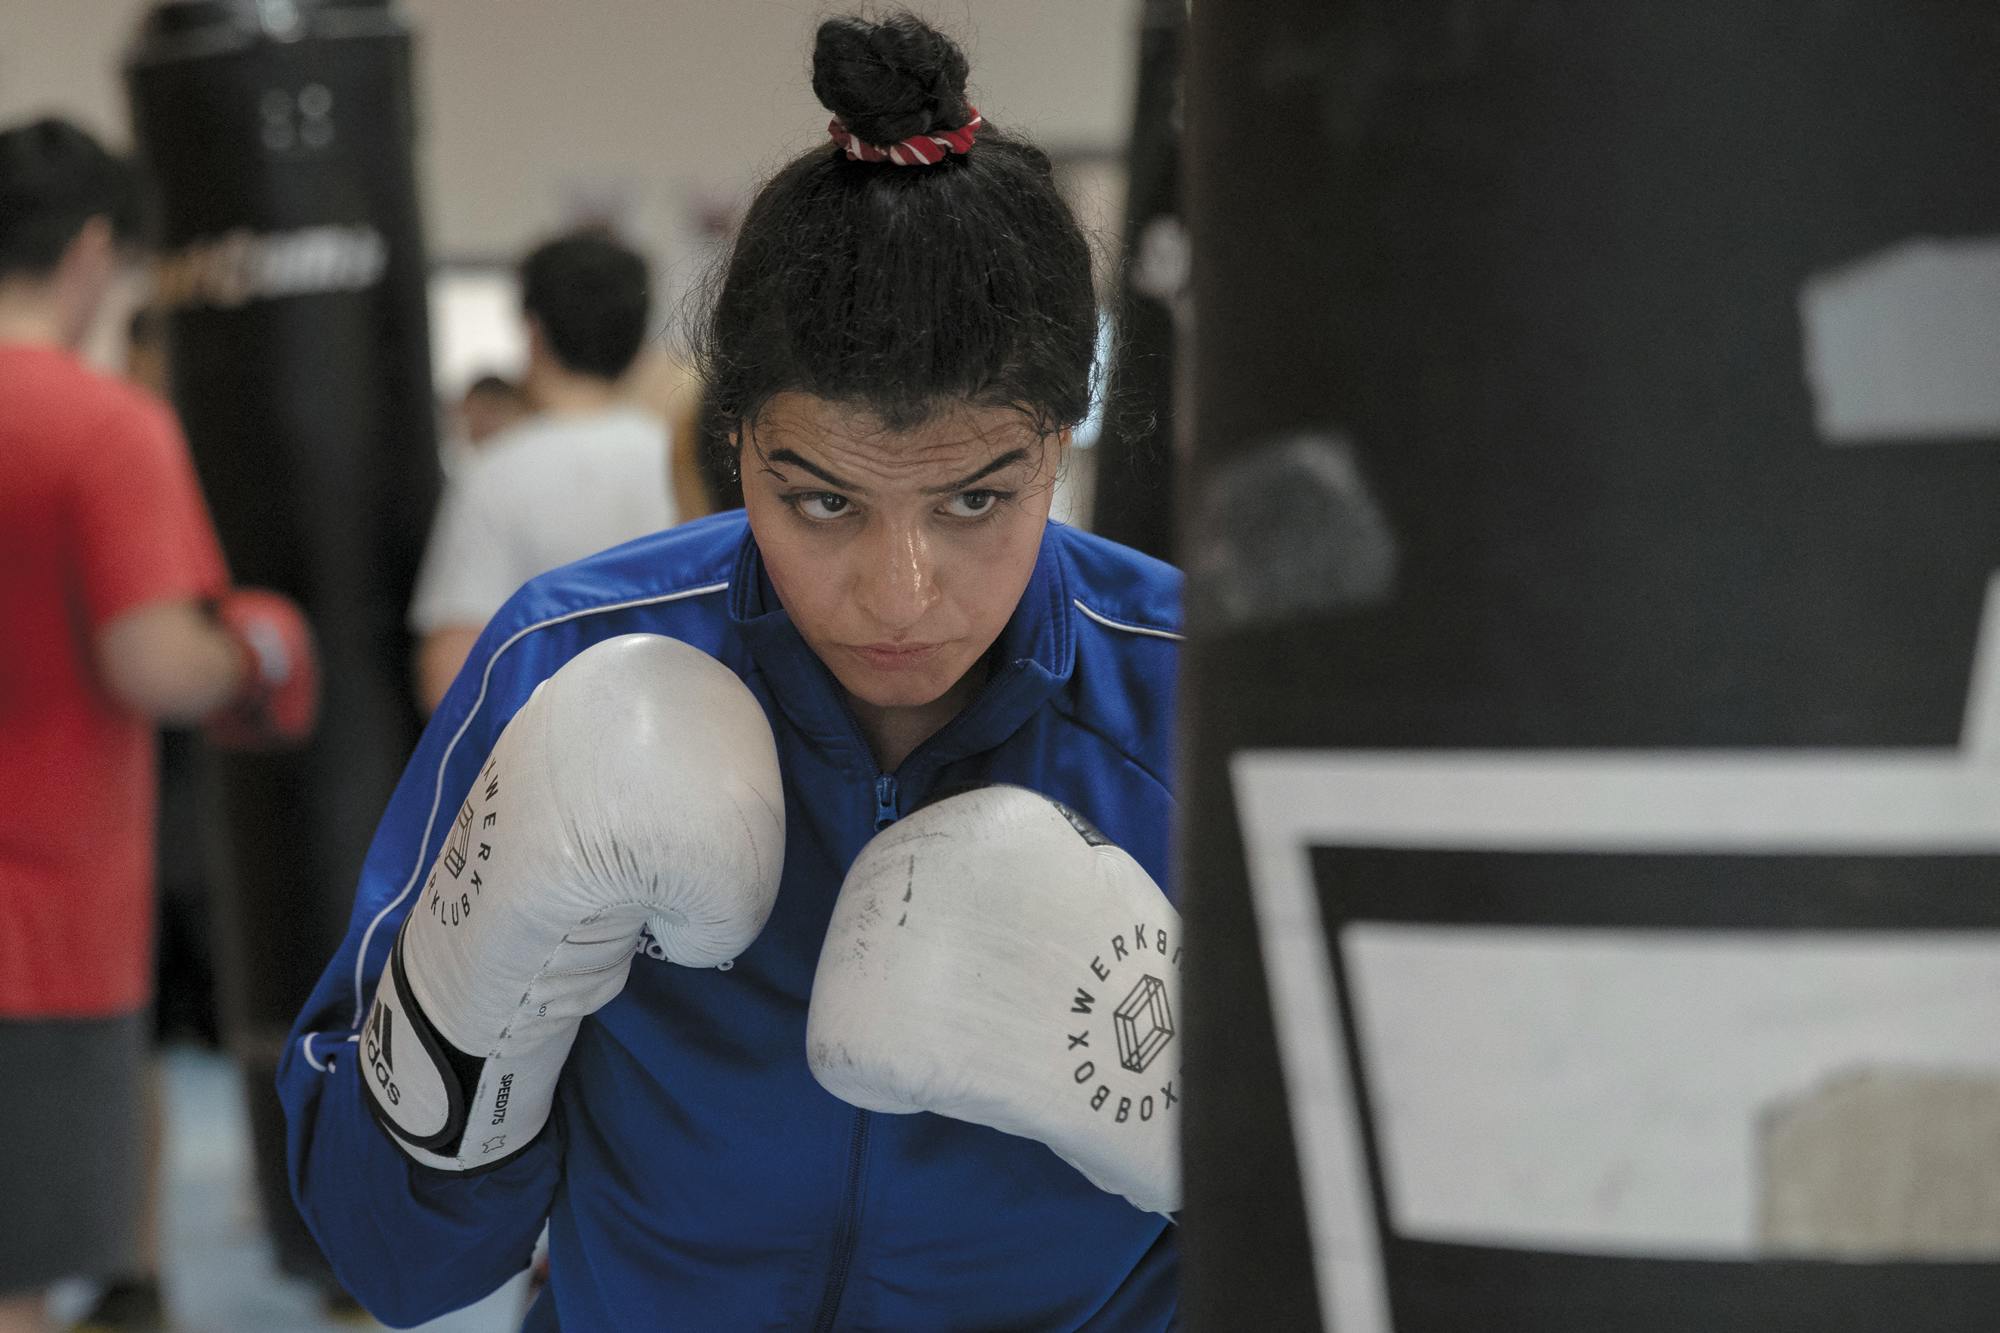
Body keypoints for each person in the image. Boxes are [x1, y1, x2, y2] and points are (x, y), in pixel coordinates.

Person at [279, 14, 1181, 1330]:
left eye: (978, 499)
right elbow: (389, 1261)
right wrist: (462, 1019)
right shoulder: (569, 653)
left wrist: (1187, 1099)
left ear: (1057, 446)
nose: (898, 592)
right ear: (737, 445)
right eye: (818, 501)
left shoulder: (1188, 699)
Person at [0, 117, 317, 1333]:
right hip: (36, 933)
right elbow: (152, 665)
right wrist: (255, 644)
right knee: (14, 1280)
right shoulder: (102, 425)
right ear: (93, 247)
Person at [409, 228, 675, 713]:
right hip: (679, 739)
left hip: (545, 758)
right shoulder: (684, 460)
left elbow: (450, 671)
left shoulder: (499, 473)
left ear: (533, 332)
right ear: (639, 343)